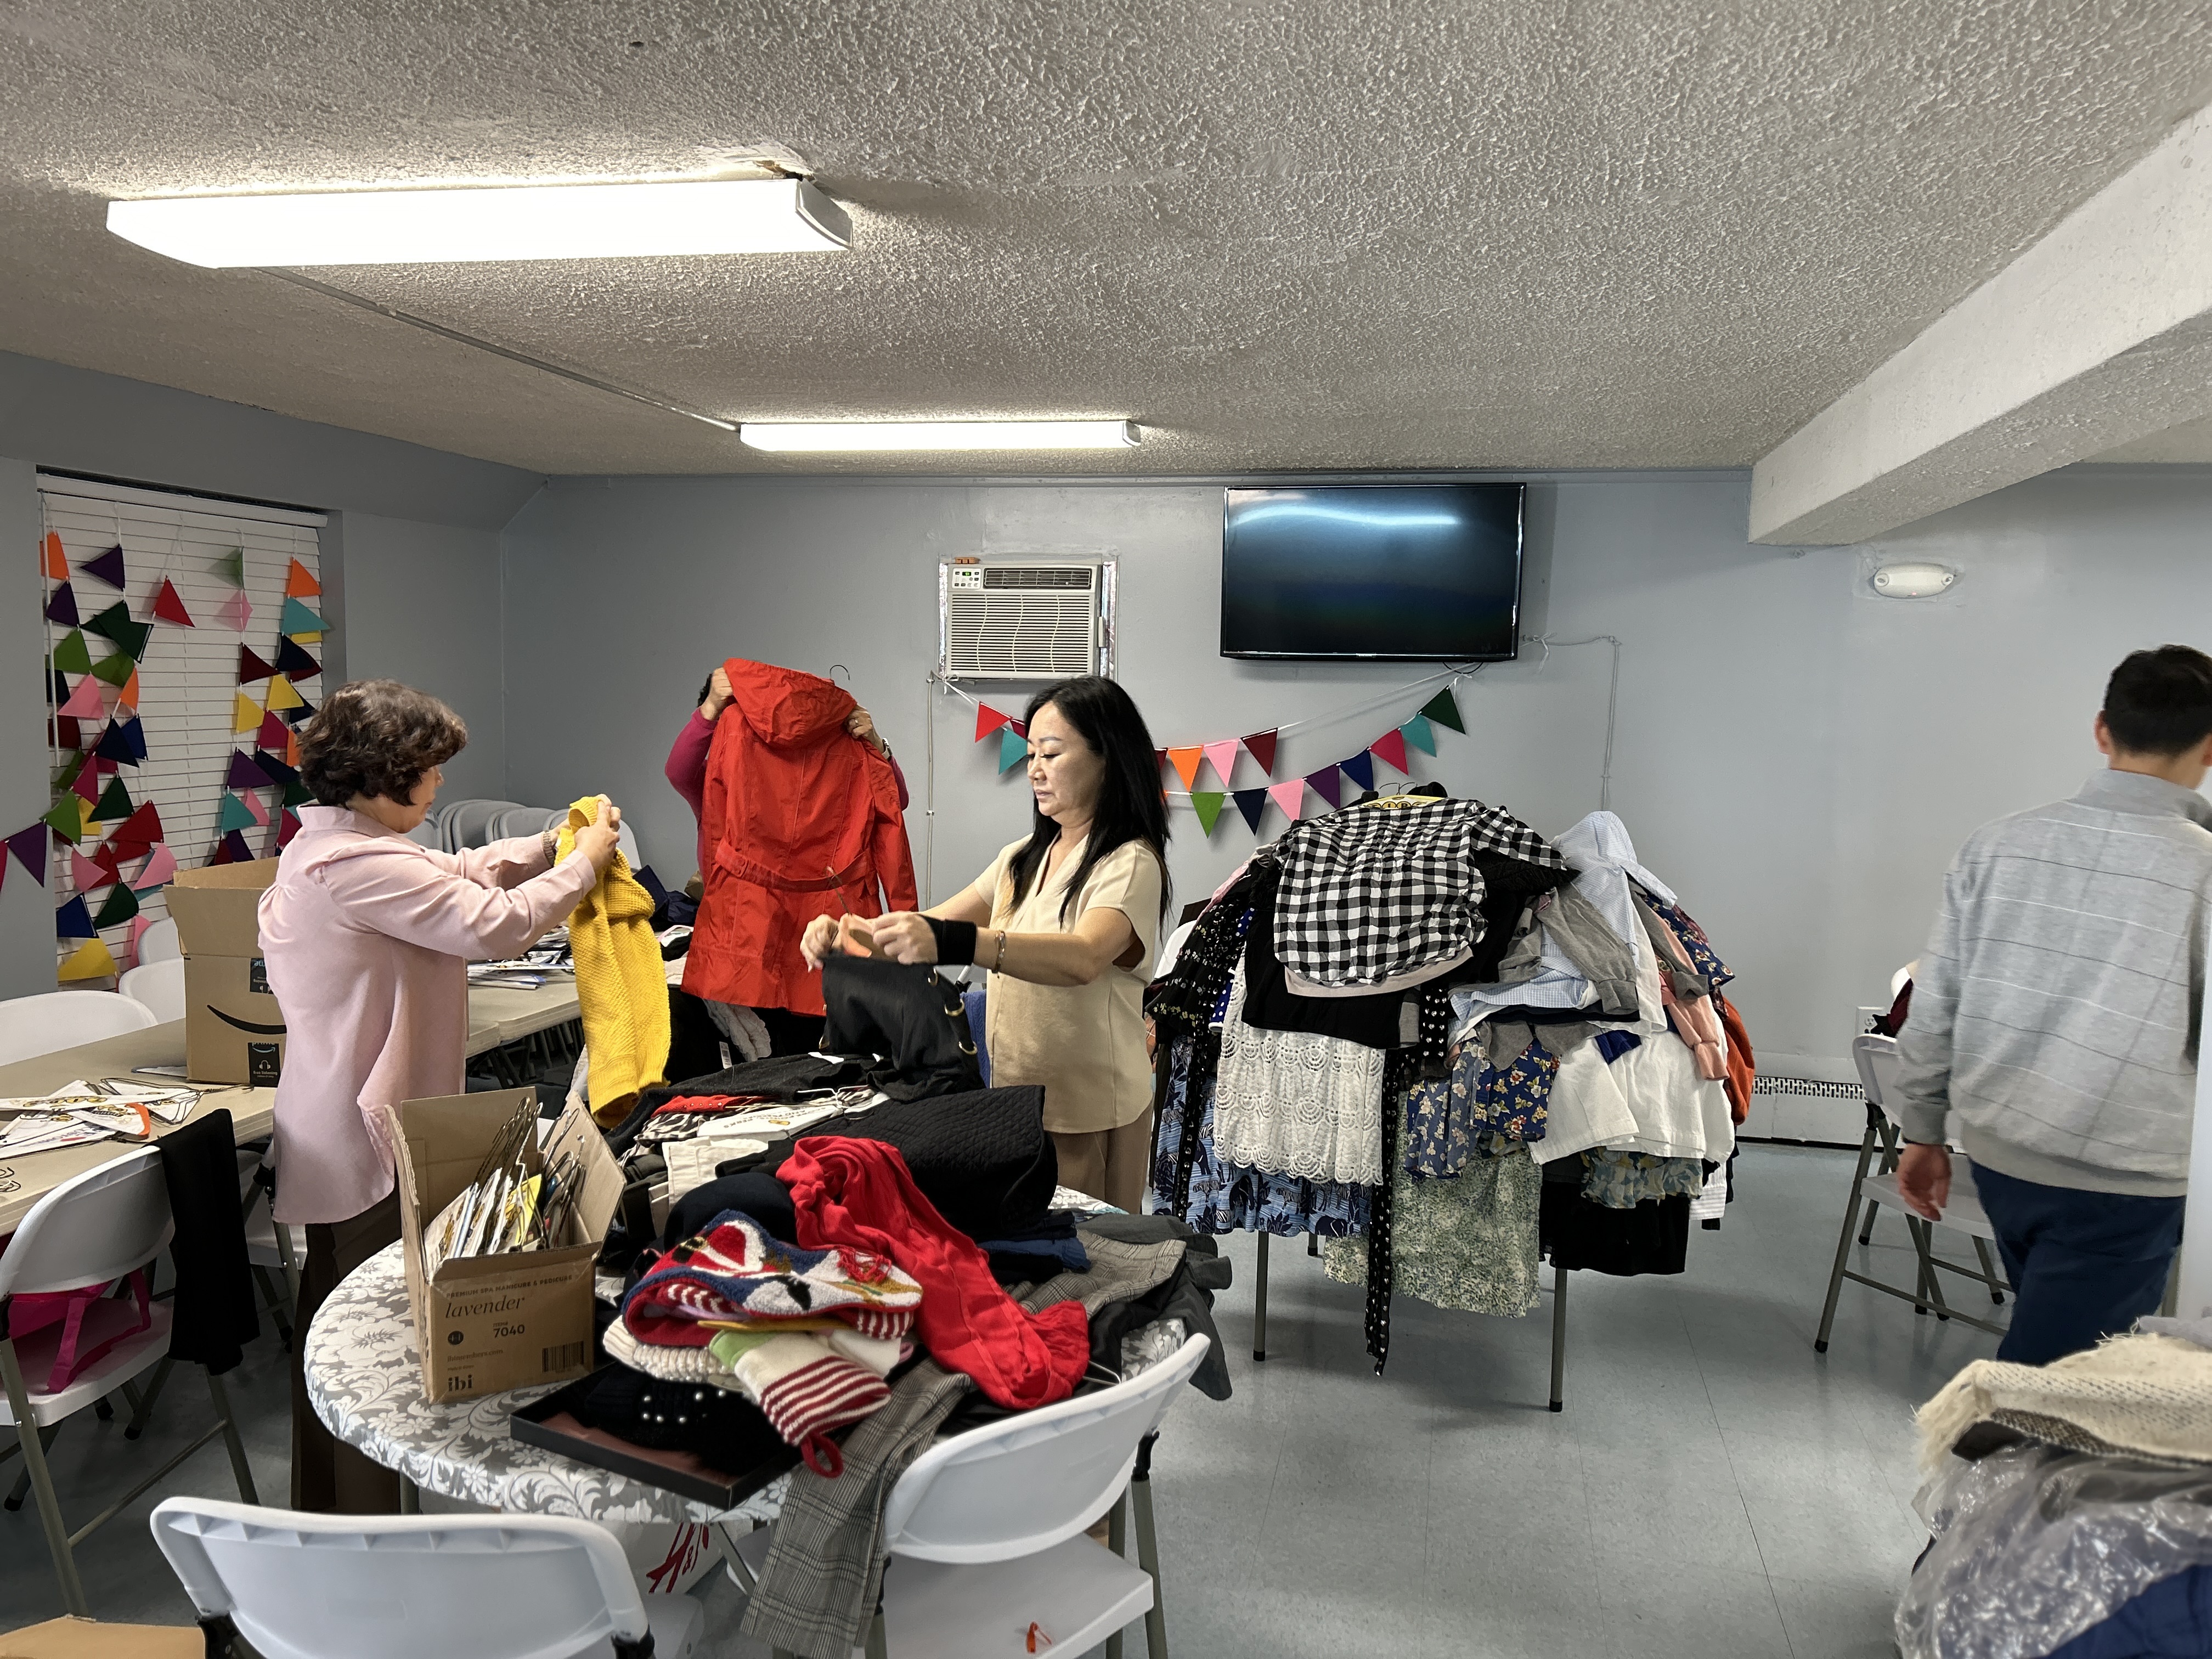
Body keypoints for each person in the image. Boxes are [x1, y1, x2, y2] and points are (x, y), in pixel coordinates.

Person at [259, 679, 623, 1510]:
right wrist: (584, 867)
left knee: (340, 1338)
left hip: (349, 1118)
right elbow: (492, 924)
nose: (440, 782)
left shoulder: (341, 845)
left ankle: (337, 1517)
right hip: (357, 1136)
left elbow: (454, 871)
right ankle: (358, 1533)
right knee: (365, 1361)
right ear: (385, 775)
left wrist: (547, 847)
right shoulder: (349, 866)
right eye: (428, 769)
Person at [1895, 645, 2212, 1365]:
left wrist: (1923, 1129)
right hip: (2127, 1176)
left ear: (2102, 730)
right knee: (2053, 1389)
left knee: (2051, 1361)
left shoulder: (1998, 845)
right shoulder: (2203, 867)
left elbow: (1936, 1001)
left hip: (2003, 1157)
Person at [802, 676, 1169, 1211]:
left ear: (1107, 758)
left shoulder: (1130, 863)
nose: (1035, 769)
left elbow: (1085, 957)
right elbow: (928, 925)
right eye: (1031, 754)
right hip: (1018, 1098)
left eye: (1051, 753)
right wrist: (845, 933)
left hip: (1090, 1110)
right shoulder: (1021, 858)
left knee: (1092, 1252)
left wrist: (958, 943)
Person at [667, 664, 911, 1057]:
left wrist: (875, 744)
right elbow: (893, 806)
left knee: (755, 1056)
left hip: (748, 928)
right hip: (823, 924)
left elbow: (678, 773)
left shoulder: (727, 765)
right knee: (818, 1051)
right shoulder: (837, 746)